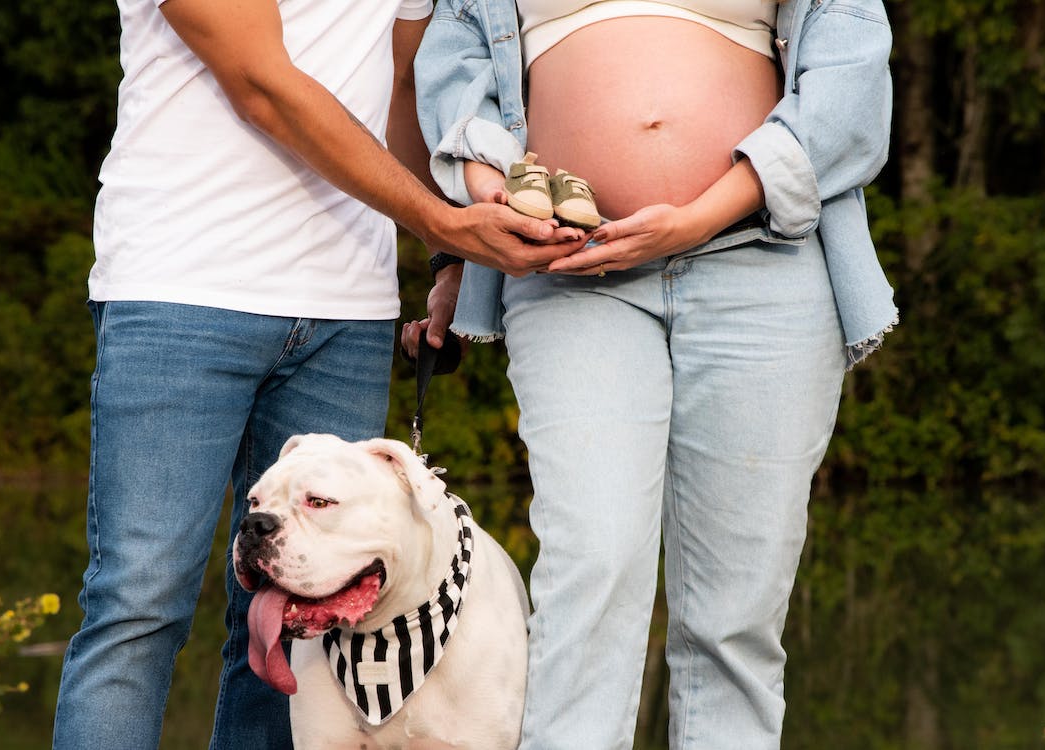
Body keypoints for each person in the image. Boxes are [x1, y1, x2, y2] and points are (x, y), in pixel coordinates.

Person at [50, 0, 587, 748]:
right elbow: (260, 81)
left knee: (294, 621)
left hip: (348, 305)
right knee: (138, 607)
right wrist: (441, 223)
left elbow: (397, 91)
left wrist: (445, 257)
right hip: (183, 288)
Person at [404, 0, 898, 748]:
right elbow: (451, 63)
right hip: (569, 268)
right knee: (589, 565)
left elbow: (850, 74)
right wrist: (492, 193)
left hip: (761, 260)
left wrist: (701, 214)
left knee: (735, 614)